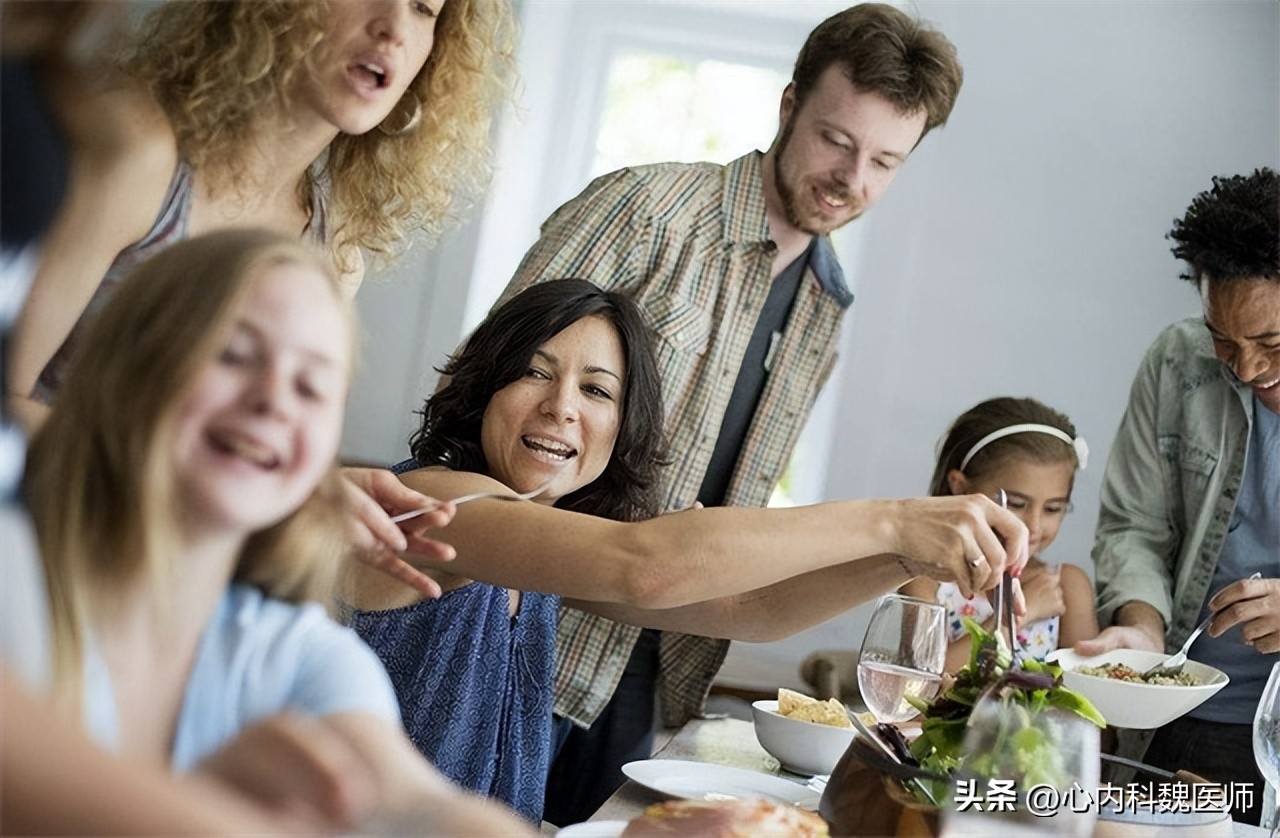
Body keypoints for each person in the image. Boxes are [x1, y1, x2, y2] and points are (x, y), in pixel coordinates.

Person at [494, 2, 965, 824]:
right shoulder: (645, 209)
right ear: (789, 108)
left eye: (885, 161)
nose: (852, 180)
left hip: (656, 670)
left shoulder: (826, 307)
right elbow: (482, 405)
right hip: (516, 636)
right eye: (836, 141)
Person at [341, 278, 1028, 823]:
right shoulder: (438, 504)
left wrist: (909, 561)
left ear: (620, 425)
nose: (562, 407)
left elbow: (750, 607)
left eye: (596, 390)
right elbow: (647, 565)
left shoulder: (536, 552)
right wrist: (895, 522)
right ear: (484, 390)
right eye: (532, 373)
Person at [13, 228, 533, 836]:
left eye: (311, 387)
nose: (274, 401)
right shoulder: (14, 581)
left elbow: (418, 807)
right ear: (126, 369)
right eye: (232, 354)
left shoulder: (297, 652)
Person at [4, 0, 516, 596]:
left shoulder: (336, 245)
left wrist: (314, 492)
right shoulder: (142, 153)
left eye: (425, 9)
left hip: (149, 588)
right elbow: (6, 401)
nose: (394, 29)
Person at [1075, 168, 1279, 825]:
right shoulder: (1178, 362)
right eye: (1226, 339)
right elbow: (1134, 526)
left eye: (1272, 343)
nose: (1246, 369)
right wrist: (1141, 628)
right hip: (1182, 717)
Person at [901, 397, 1098, 672]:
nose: (1034, 525)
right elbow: (924, 681)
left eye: (1053, 508)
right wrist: (1012, 618)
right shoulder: (924, 578)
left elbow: (1088, 691)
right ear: (960, 487)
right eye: (1016, 504)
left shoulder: (1065, 586)